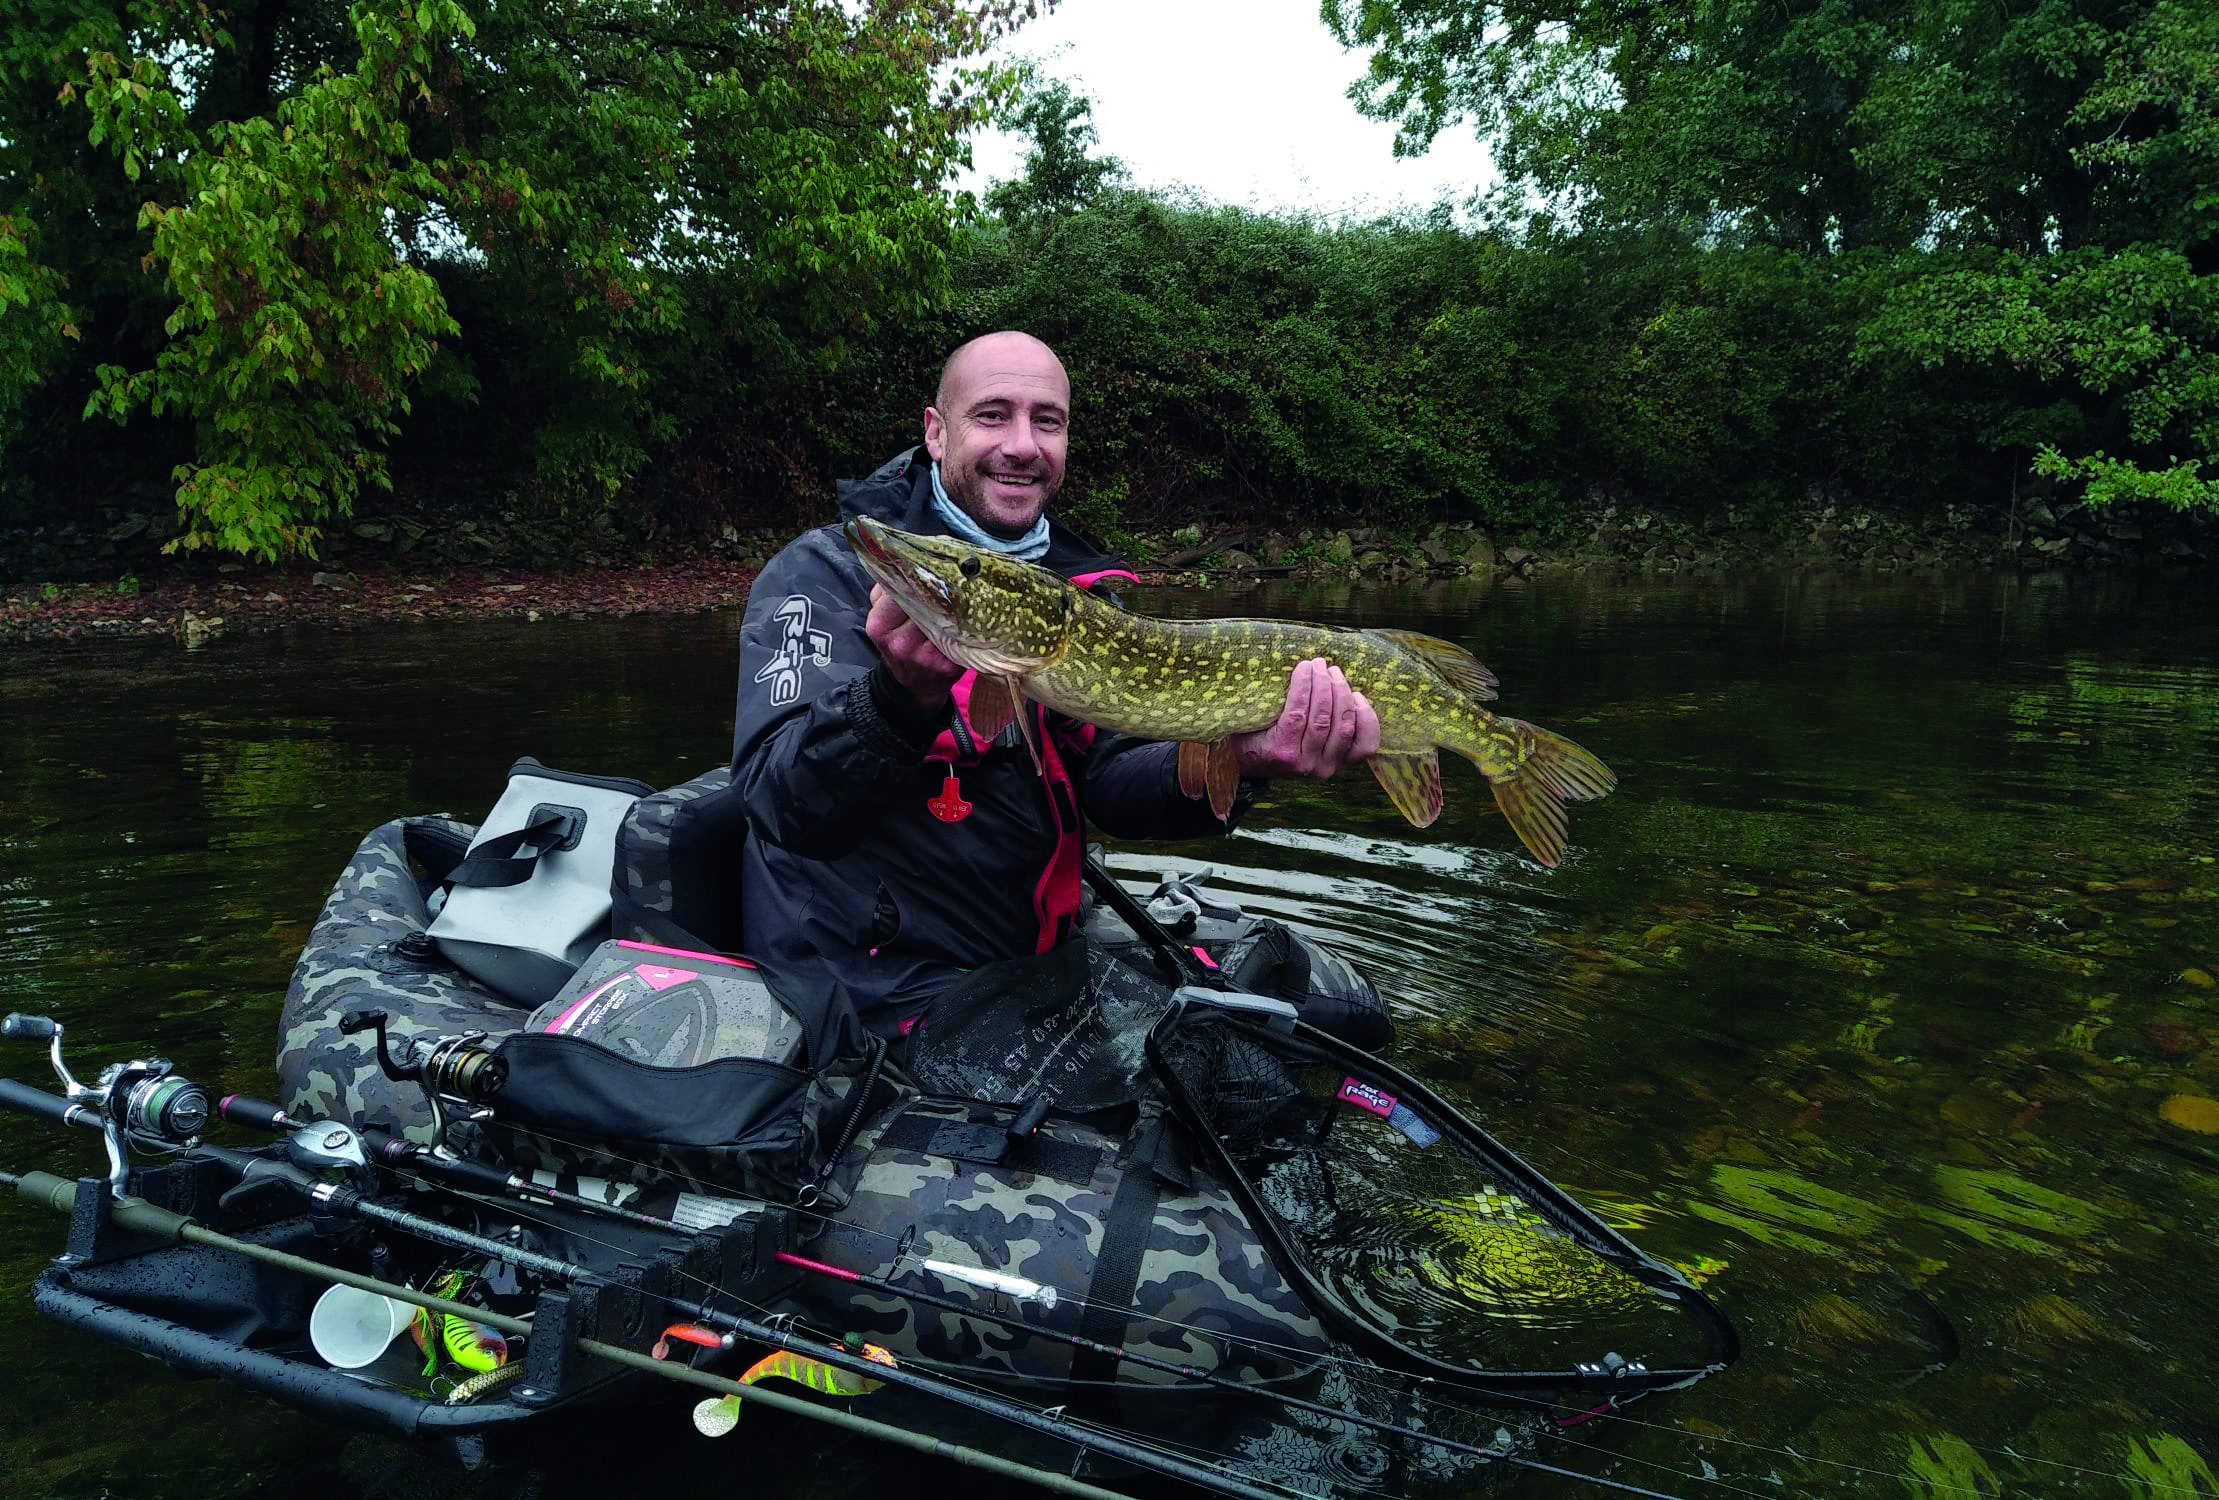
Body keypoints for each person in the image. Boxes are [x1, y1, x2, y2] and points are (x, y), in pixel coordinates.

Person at [730, 331, 1381, 1039]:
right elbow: (778, 803)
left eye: (1047, 421)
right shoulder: (824, 575)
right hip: (869, 978)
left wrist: (1246, 758)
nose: (1022, 443)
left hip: (1029, 957)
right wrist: (895, 703)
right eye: (992, 414)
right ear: (936, 433)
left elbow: (1114, 788)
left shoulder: (1085, 599)